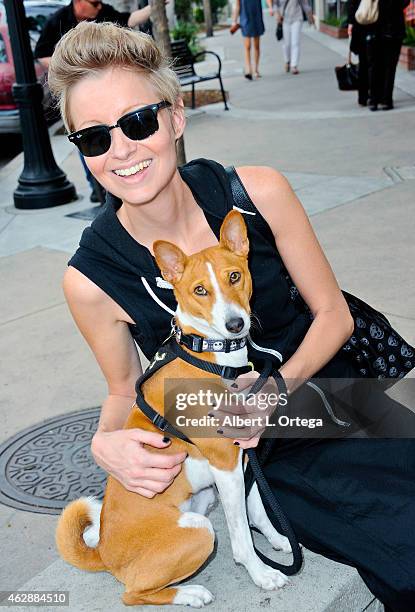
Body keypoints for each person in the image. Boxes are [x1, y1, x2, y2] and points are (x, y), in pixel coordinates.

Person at [48, 21, 415, 610]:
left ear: (174, 117)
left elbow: (334, 316)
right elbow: (123, 390)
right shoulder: (91, 278)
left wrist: (273, 392)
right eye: (93, 137)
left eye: (138, 122)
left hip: (338, 395)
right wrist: (103, 443)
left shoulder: (256, 193)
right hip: (263, 453)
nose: (120, 150)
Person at [34, 0, 152, 202]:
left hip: (110, 90)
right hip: (79, 97)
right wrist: (69, 70)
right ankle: (97, 189)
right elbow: (41, 53)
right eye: (94, 3)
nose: (99, 8)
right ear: (79, 2)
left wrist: (154, 6)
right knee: (90, 138)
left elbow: (129, 20)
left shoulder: (104, 12)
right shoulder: (57, 20)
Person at [363, 0, 410, 111]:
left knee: (374, 66)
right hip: (392, 30)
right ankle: (386, 100)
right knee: (389, 67)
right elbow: (404, 2)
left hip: (374, 30)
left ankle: (374, 100)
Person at [269, 0, 314, 74]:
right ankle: (287, 61)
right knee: (287, 44)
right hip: (284, 19)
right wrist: (277, 14)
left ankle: (294, 66)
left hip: (297, 18)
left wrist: (310, 17)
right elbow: (275, 4)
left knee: (295, 43)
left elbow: (304, 4)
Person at [232, 0, 265, 79]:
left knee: (256, 46)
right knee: (247, 46)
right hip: (245, 19)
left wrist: (271, 7)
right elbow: (237, 5)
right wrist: (234, 21)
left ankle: (256, 69)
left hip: (256, 18)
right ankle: (248, 69)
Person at [347, 0, 370, 106]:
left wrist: (351, 22)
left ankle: (363, 97)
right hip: (373, 24)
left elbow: (351, 3)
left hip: (360, 24)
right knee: (372, 62)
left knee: (364, 63)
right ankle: (372, 95)